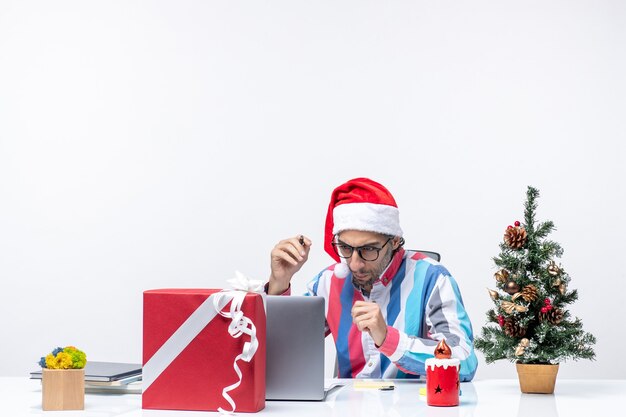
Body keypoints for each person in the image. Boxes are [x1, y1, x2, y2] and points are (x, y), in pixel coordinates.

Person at [267, 177, 478, 381]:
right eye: (346, 248)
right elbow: (282, 351)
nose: (355, 264)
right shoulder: (328, 281)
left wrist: (387, 338)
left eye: (368, 249)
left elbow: (465, 360)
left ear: (395, 241)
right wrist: (279, 283)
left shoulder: (432, 278)